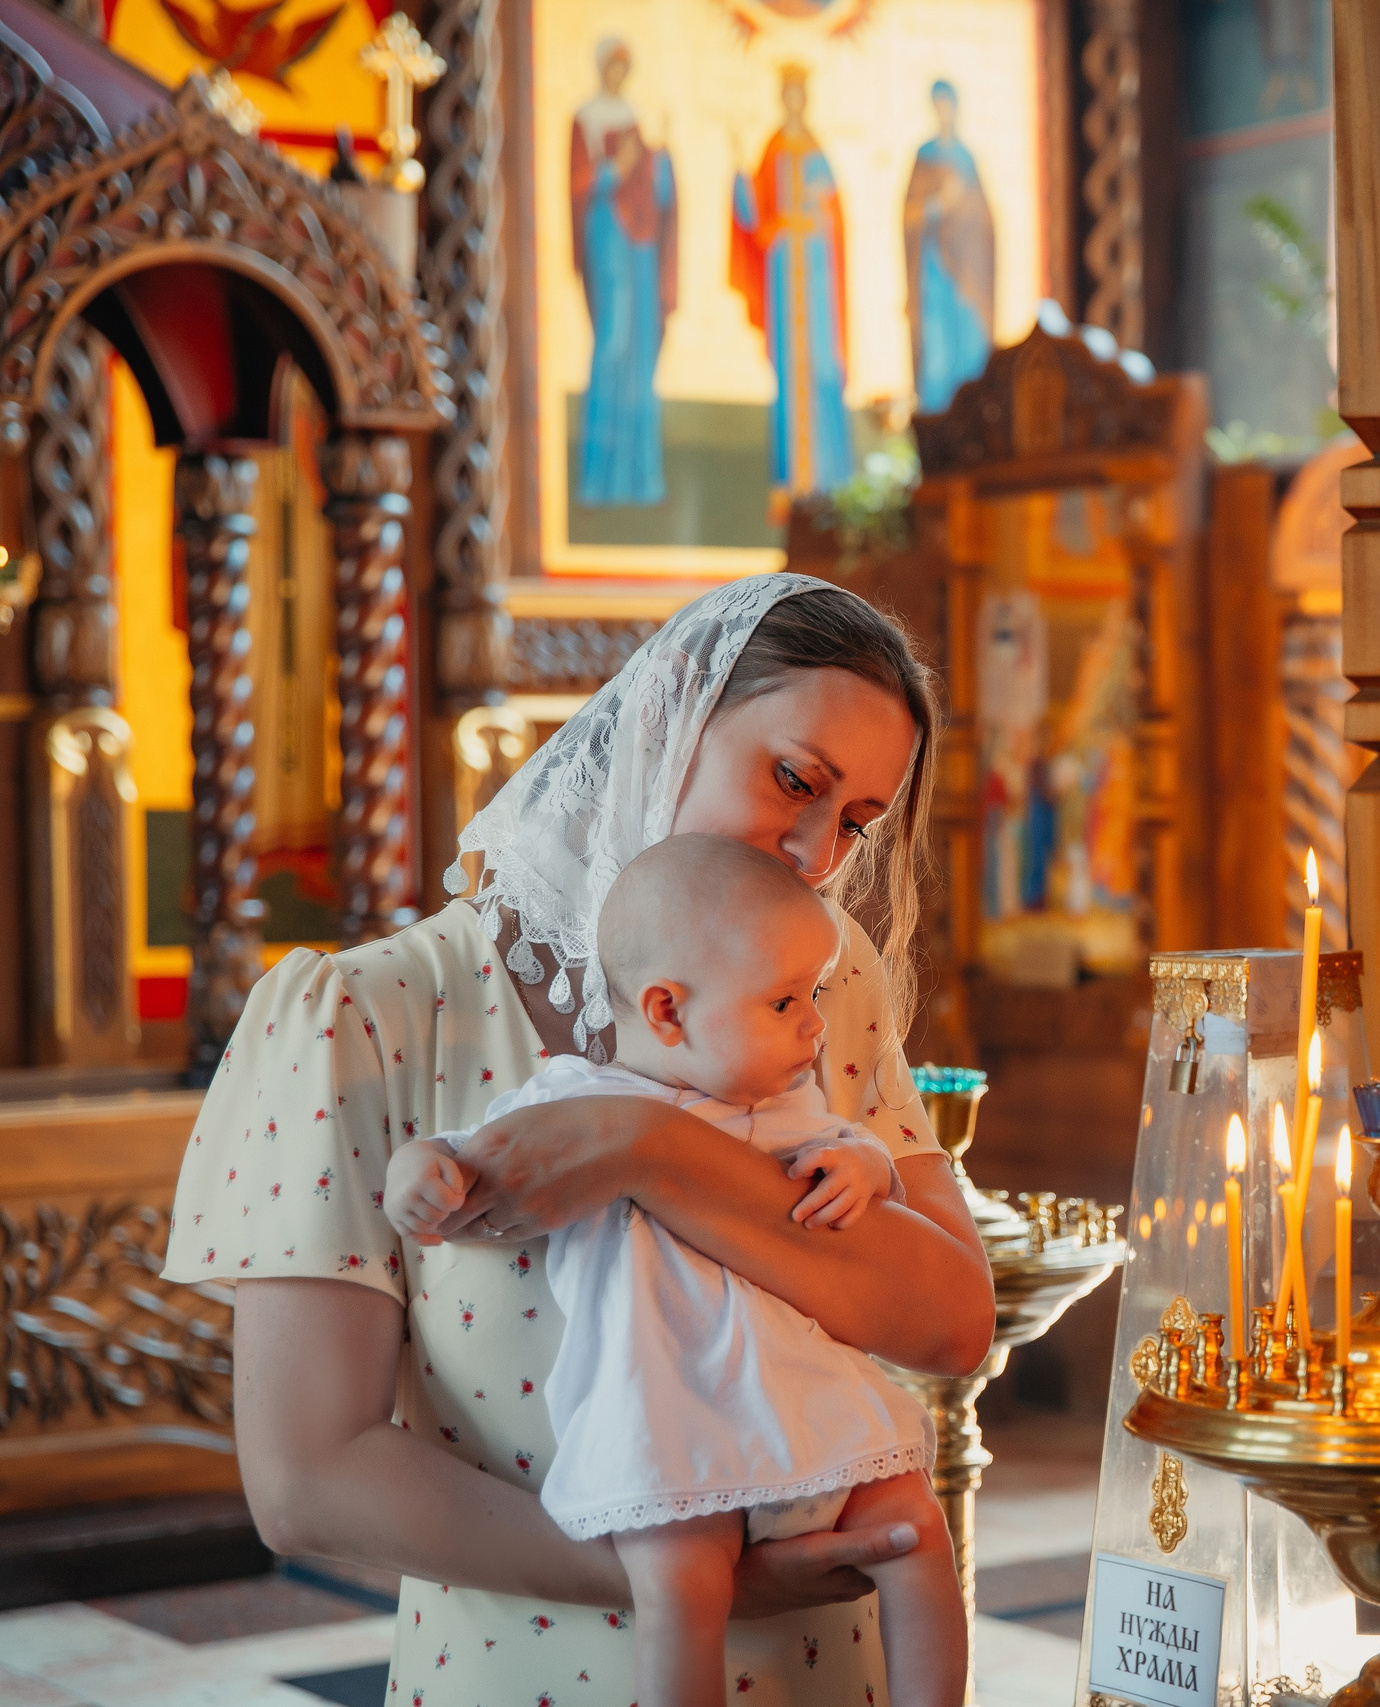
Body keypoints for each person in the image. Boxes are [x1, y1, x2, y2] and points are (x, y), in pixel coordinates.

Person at [164, 575, 996, 1702]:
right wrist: (687, 1578)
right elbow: (308, 1480)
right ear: (662, 719)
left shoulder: (817, 986)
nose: (812, 850)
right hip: (519, 1667)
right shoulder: (370, 1015)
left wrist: (645, 1151)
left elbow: (949, 1322)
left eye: (855, 823)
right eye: (793, 780)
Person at [387, 836, 963, 1707]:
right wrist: (419, 1177)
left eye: (812, 995)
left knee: (916, 1526)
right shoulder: (573, 1101)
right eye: (783, 1001)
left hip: (801, 1399)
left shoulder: (784, 1104)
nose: (814, 1022)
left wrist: (866, 1170)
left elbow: (858, 1157)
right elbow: (466, 1156)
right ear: (666, 1011)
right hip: (666, 1417)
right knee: (683, 1589)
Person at [733, 64, 854, 511]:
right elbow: (755, 219)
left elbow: (837, 219)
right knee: (791, 371)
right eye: (788, 93)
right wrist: (740, 182)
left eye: (799, 93)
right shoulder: (773, 150)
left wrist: (820, 214)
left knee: (821, 366)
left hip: (816, 274)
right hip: (785, 273)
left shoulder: (818, 151)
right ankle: (790, 480)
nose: (794, 101)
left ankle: (830, 479)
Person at [570, 38, 677, 508]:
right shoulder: (586, 118)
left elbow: (652, 185)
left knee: (639, 353)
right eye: (611, 65)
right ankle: (600, 481)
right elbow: (581, 182)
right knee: (612, 344)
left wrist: (660, 160)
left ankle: (642, 478)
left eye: (623, 67)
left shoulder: (633, 117)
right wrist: (616, 169)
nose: (617, 74)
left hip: (640, 245)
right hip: (608, 238)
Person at [904, 79, 996, 415]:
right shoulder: (924, 157)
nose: (944, 112)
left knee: (968, 343)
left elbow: (985, 223)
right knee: (937, 346)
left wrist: (963, 204)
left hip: (967, 275)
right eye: (938, 105)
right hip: (934, 270)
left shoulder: (966, 158)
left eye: (948, 104)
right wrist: (936, 204)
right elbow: (910, 213)